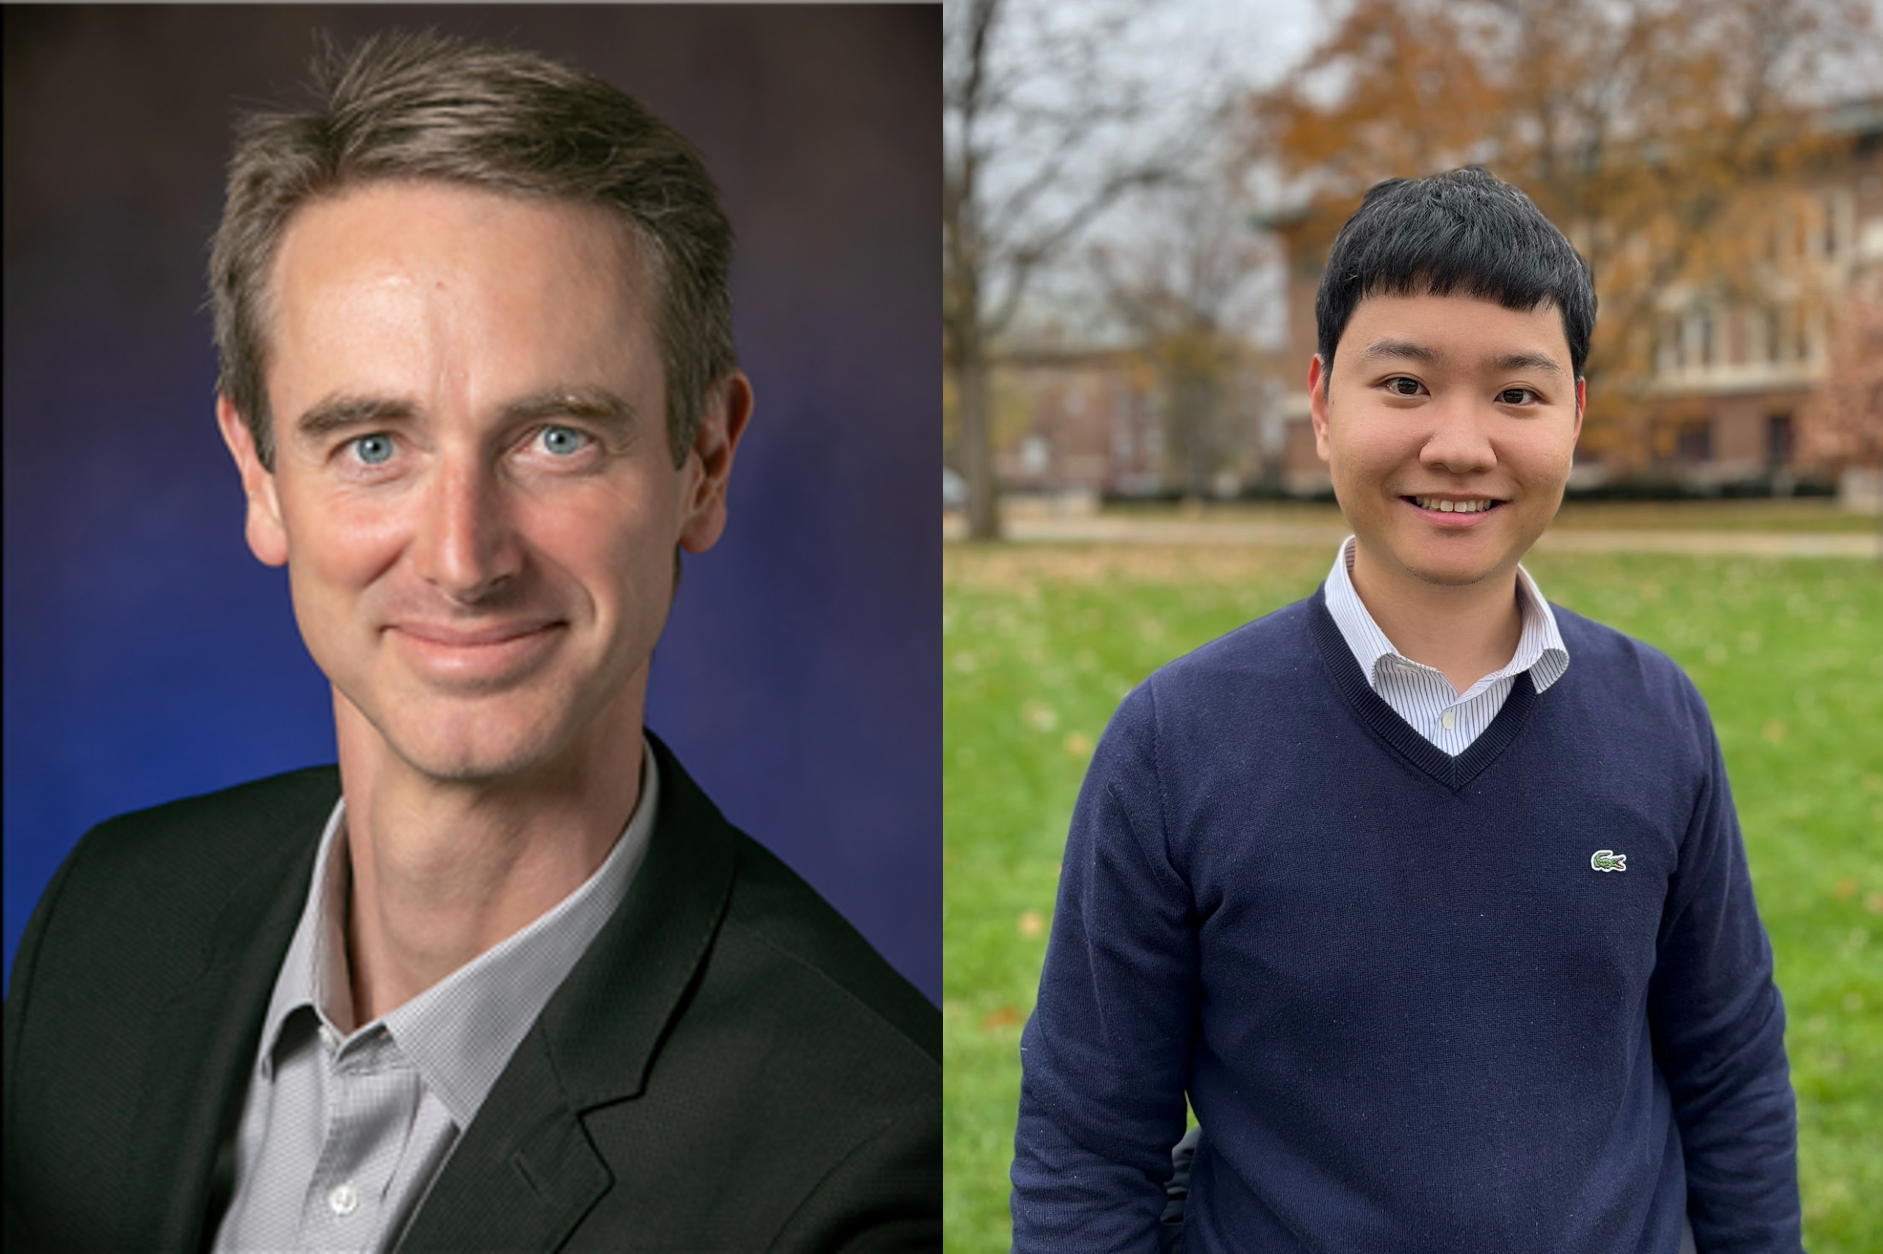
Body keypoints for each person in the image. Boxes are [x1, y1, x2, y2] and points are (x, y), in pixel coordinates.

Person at [3, 30, 938, 1252]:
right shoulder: (103, 922)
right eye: (372, 445)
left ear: (703, 462)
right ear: (261, 474)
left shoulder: (867, 1157)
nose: (462, 557)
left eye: (555, 438)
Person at [1010, 168, 1798, 1252]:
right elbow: (1085, 1142)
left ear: (1574, 415)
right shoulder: (1173, 744)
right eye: (1405, 385)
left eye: (1516, 393)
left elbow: (1728, 1070)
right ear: (1323, 403)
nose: (1459, 445)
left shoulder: (1657, 719)